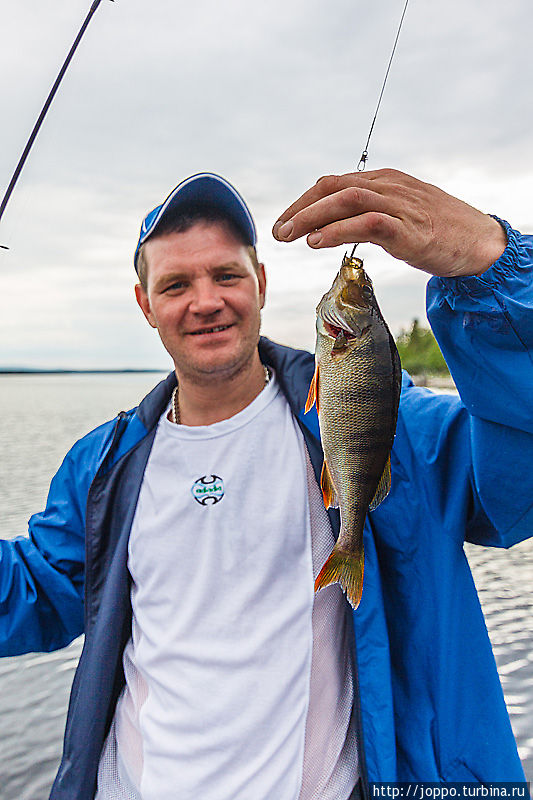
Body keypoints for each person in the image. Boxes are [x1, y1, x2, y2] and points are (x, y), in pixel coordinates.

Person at [0, 169, 531, 800]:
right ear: (144, 303)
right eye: (175, 284)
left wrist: (492, 268)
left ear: (260, 282)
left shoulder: (392, 428)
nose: (205, 301)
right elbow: (33, 592)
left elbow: (515, 485)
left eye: (226, 275)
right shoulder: (106, 466)